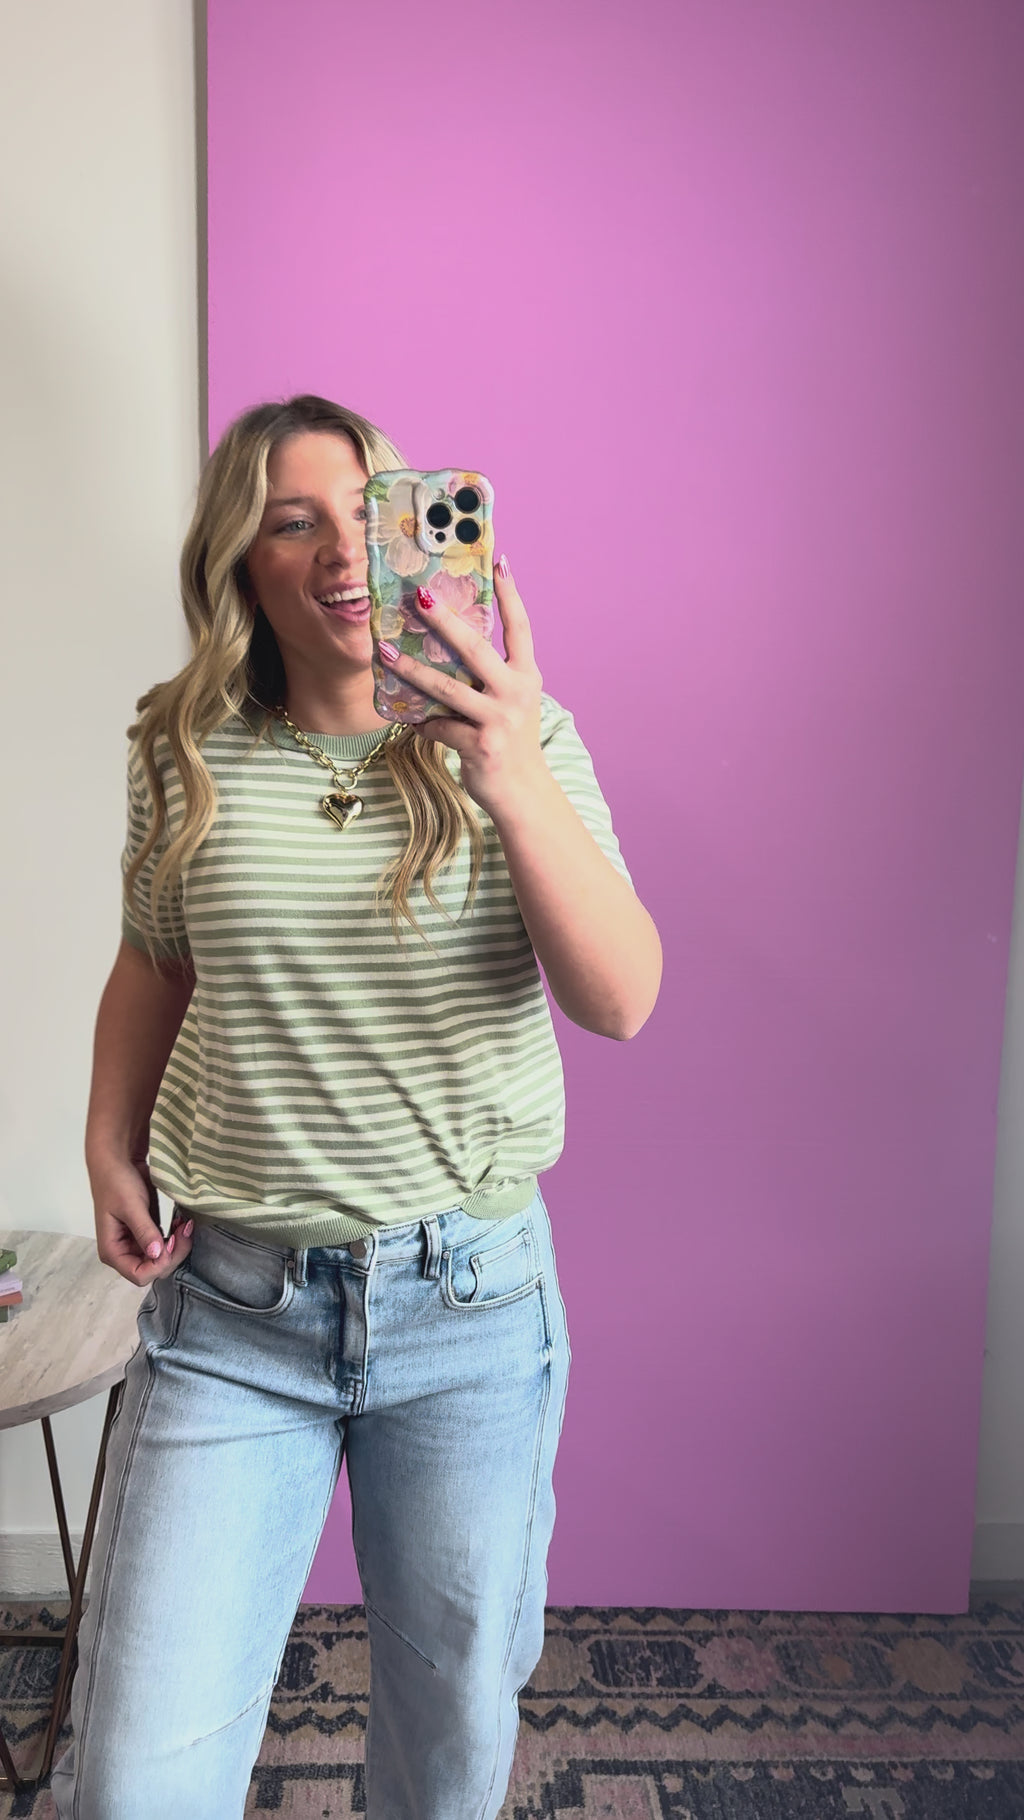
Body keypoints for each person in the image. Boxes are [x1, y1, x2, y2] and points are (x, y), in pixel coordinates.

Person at [52, 394, 662, 1820]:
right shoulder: (185, 746)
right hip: (232, 1314)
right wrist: (106, 1139)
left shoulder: (522, 737)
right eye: (294, 522)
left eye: (368, 514)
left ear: (417, 535)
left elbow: (622, 997)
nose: (341, 553)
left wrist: (506, 770)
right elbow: (154, 955)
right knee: (135, 1778)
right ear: (241, 565)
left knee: (448, 1752)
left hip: (468, 1313)